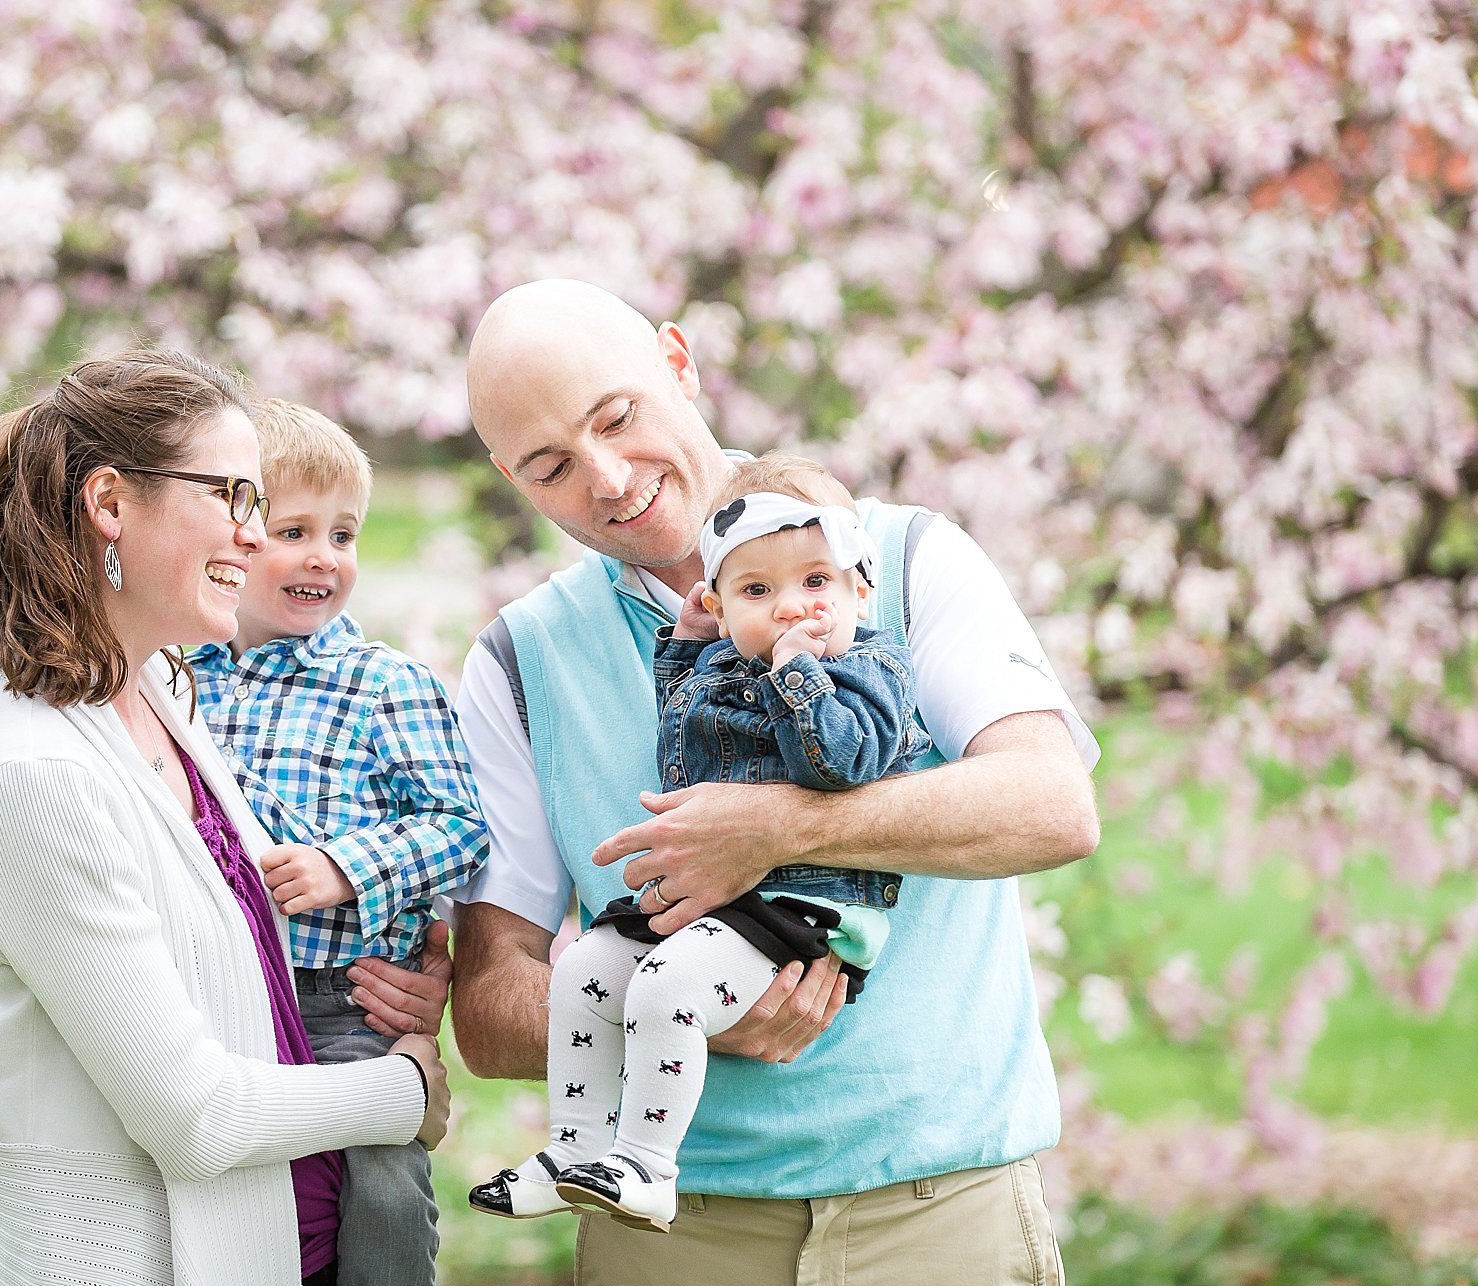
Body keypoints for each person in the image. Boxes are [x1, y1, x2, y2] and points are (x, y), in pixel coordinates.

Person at [450, 281, 1100, 1285]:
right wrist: (669, 1010)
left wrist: (774, 827)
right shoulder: (518, 661)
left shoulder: (903, 558)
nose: (610, 477)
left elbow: (1050, 805)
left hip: (941, 1215)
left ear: (678, 361)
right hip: (672, 1241)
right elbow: (491, 1006)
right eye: (550, 466)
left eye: (616, 417)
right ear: (510, 479)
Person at [0, 350, 450, 1286]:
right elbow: (193, 1116)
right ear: (111, 503)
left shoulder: (160, 688)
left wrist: (400, 974)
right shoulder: (29, 774)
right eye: (233, 496)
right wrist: (404, 1089)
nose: (254, 535)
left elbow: (228, 945)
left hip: (291, 1243)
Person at [470, 455, 926, 1232]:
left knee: (664, 987)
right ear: (716, 601)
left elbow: (845, 759)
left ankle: (646, 1164)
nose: (791, 609)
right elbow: (684, 743)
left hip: (801, 904)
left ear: (861, 588)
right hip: (713, 903)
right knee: (584, 967)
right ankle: (575, 1149)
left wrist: (797, 674)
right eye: (757, 590)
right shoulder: (722, 659)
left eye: (817, 583)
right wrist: (686, 651)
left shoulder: (866, 666)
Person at [191, 397, 490, 1286]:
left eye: (345, 534)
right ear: (233, 540)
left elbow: (462, 828)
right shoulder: (173, 678)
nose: (325, 555)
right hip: (213, 985)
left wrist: (345, 867)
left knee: (383, 1179)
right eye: (295, 530)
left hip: (338, 996)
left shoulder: (383, 686)